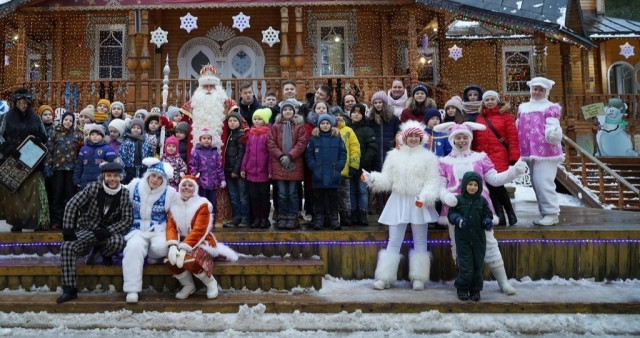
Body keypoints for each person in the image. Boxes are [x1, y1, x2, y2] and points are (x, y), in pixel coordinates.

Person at [435, 121, 527, 295]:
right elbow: (440, 185)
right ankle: (464, 282)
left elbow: (494, 179)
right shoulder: (444, 162)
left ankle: (503, 282)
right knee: (459, 247)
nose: (461, 141)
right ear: (451, 140)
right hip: (455, 210)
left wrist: (513, 172)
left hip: (480, 209)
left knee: (490, 244)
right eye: (457, 138)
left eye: (464, 137)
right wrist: (445, 195)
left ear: (469, 139)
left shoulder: (480, 158)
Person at [362, 120, 441, 291]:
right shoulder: (393, 156)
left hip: (418, 201)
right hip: (398, 201)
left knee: (420, 240)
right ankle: (385, 277)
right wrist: (373, 179)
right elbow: (387, 180)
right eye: (410, 136)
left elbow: (433, 181)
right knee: (394, 240)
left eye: (416, 136)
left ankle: (419, 278)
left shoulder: (429, 158)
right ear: (404, 138)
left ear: (421, 138)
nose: (413, 139)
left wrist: (425, 196)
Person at [57, 161, 133, 303]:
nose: (112, 179)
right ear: (103, 176)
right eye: (109, 175)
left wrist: (108, 231)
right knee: (66, 247)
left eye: (115, 176)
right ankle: (70, 289)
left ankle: (103, 252)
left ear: (120, 177)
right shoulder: (93, 187)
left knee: (119, 242)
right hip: (89, 229)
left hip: (108, 233)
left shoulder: (124, 194)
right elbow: (72, 204)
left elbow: (127, 220)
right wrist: (68, 230)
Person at [165, 174, 239, 300]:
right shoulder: (174, 205)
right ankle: (188, 285)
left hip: (202, 241)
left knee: (190, 259)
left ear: (195, 189)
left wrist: (184, 248)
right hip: (182, 241)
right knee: (170, 260)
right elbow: (171, 227)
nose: (187, 188)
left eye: (190, 185)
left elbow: (199, 230)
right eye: (184, 185)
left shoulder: (202, 204)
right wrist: (172, 245)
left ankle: (211, 283)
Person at [122, 158, 178, 303]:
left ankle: (151, 254)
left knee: (161, 248)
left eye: (159, 178)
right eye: (153, 176)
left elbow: (178, 211)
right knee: (133, 248)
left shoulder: (170, 193)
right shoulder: (134, 185)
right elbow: (119, 193)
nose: (155, 180)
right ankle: (132, 289)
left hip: (158, 229)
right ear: (148, 175)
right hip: (136, 229)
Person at [516, 77, 564, 226]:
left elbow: (552, 124)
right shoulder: (523, 107)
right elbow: (518, 125)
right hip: (529, 151)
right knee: (536, 183)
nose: (537, 92)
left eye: (540, 90)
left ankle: (551, 213)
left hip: (547, 152)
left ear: (546, 92)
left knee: (543, 181)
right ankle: (545, 212)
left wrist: (553, 134)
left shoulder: (550, 107)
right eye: (535, 89)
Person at [0, 88, 50, 232]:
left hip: (33, 161)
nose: (23, 104)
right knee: (16, 194)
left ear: (28, 103)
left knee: (34, 193)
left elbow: (44, 135)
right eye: (20, 102)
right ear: (15, 102)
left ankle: (38, 222)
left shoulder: (36, 118)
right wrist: (8, 149)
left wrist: (38, 140)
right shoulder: (5, 118)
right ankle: (17, 223)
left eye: (25, 102)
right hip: (13, 160)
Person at [473, 90, 520, 226]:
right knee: (490, 185)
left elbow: (512, 137)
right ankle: (501, 215)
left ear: (497, 101)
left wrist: (514, 156)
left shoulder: (506, 117)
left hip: (499, 155)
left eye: (492, 99)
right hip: (484, 157)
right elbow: (476, 139)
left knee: (497, 184)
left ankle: (509, 213)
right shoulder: (480, 117)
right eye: (487, 100)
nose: (489, 102)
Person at [447, 171, 494, 302]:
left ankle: (475, 290)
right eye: (470, 184)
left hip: (478, 239)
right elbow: (451, 215)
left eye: (475, 185)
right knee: (465, 264)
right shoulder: (459, 200)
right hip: (463, 239)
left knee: (478, 264)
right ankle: (462, 288)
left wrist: (487, 221)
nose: (472, 187)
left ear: (479, 187)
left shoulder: (482, 201)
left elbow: (488, 215)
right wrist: (458, 220)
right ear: (464, 185)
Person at [267, 99, 307, 230]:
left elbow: (301, 143)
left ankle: (292, 216)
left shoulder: (299, 127)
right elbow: (271, 143)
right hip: (279, 164)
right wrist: (281, 156)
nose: (287, 111)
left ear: (294, 111)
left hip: (294, 163)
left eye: (290, 109)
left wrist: (290, 156)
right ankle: (282, 216)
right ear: (281, 112)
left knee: (293, 193)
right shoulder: (275, 127)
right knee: (282, 193)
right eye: (285, 109)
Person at [304, 114, 346, 230]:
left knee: (333, 199)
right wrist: (313, 166)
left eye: (327, 123)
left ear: (331, 125)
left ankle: (333, 219)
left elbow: (343, 154)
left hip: (333, 174)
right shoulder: (313, 139)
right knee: (318, 199)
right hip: (318, 175)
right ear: (319, 125)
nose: (325, 125)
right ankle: (319, 219)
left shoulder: (337, 138)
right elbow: (309, 155)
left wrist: (339, 166)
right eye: (323, 123)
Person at [367, 91, 401, 214]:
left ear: (384, 103)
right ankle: (380, 208)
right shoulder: (370, 119)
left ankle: (390, 208)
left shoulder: (393, 119)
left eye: (380, 102)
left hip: (389, 154)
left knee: (390, 182)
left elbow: (398, 135)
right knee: (378, 181)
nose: (378, 105)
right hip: (375, 154)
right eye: (375, 103)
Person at [47, 111, 82, 230]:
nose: (68, 122)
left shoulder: (77, 135)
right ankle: (56, 221)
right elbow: (49, 150)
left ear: (73, 122)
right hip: (57, 169)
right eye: (66, 120)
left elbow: (80, 152)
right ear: (62, 120)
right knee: (57, 195)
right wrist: (48, 166)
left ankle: (69, 221)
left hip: (71, 170)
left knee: (70, 196)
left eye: (70, 121)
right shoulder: (54, 133)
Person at [241, 108, 273, 228]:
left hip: (263, 171)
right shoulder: (251, 134)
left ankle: (264, 218)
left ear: (264, 120)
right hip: (251, 171)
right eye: (255, 119)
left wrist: (270, 170)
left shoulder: (268, 134)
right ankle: (256, 218)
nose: (257, 121)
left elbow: (270, 153)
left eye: (259, 119)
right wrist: (243, 168)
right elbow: (247, 152)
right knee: (253, 196)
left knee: (263, 196)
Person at [348, 103, 377, 226]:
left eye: (359, 113)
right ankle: (353, 213)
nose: (356, 115)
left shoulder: (367, 129)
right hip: (349, 166)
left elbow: (372, 148)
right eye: (354, 112)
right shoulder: (348, 129)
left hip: (363, 167)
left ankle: (362, 213)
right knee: (351, 190)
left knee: (362, 190)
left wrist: (364, 161)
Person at [332, 106, 360, 227]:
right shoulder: (327, 129)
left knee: (345, 196)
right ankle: (332, 216)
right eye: (335, 115)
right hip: (331, 171)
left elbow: (355, 148)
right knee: (332, 195)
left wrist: (353, 164)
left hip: (345, 170)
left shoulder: (348, 131)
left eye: (340, 115)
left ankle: (345, 216)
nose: (338, 117)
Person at [189, 127, 226, 209]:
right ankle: (202, 220)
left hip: (213, 183)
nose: (206, 140)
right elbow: (193, 166)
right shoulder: (196, 152)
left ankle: (212, 220)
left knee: (212, 204)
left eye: (208, 138)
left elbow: (219, 167)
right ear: (200, 139)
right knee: (202, 203)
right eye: (204, 138)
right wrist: (194, 178)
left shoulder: (214, 152)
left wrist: (222, 179)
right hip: (201, 183)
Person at [222, 111, 249, 228]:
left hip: (237, 172)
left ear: (239, 122)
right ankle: (236, 217)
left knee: (242, 195)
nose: (232, 123)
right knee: (233, 196)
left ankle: (245, 218)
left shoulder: (241, 135)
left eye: (234, 121)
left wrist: (235, 170)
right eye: (230, 121)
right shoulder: (229, 135)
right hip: (228, 171)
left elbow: (241, 154)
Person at [73, 124, 117, 190]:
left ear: (102, 136)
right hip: (85, 180)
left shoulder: (108, 149)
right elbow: (79, 166)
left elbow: (112, 166)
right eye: (92, 134)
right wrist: (76, 179)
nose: (95, 137)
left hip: (100, 181)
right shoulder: (84, 149)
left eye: (97, 134)